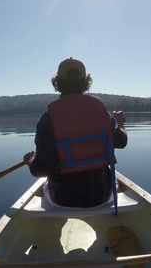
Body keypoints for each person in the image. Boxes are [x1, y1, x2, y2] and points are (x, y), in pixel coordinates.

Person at [23, 57, 127, 208]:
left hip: (63, 200)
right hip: (102, 197)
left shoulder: (48, 118)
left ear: (57, 82)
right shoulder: (102, 112)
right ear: (86, 81)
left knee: (45, 185)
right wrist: (120, 123)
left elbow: (41, 170)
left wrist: (31, 161)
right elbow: (121, 142)